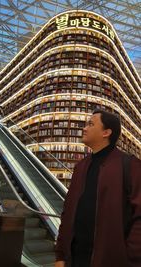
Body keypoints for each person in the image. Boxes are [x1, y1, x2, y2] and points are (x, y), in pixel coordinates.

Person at [55, 109, 141, 267]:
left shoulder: (130, 165)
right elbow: (67, 212)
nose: (84, 128)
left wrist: (131, 258)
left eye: (90, 124)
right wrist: (60, 255)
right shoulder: (80, 167)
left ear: (106, 132)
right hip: (73, 260)